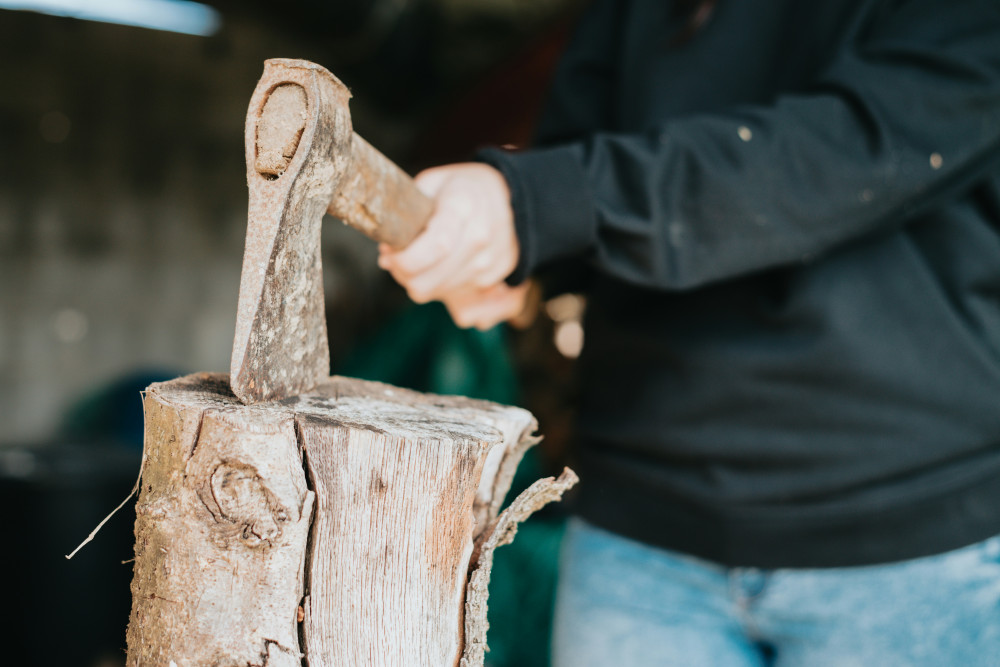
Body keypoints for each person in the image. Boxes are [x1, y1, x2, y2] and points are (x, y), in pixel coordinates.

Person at [379, 1, 1000, 664]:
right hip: (638, 537)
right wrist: (524, 254)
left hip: (910, 548)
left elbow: (845, 150)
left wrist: (538, 207)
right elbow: (582, 150)